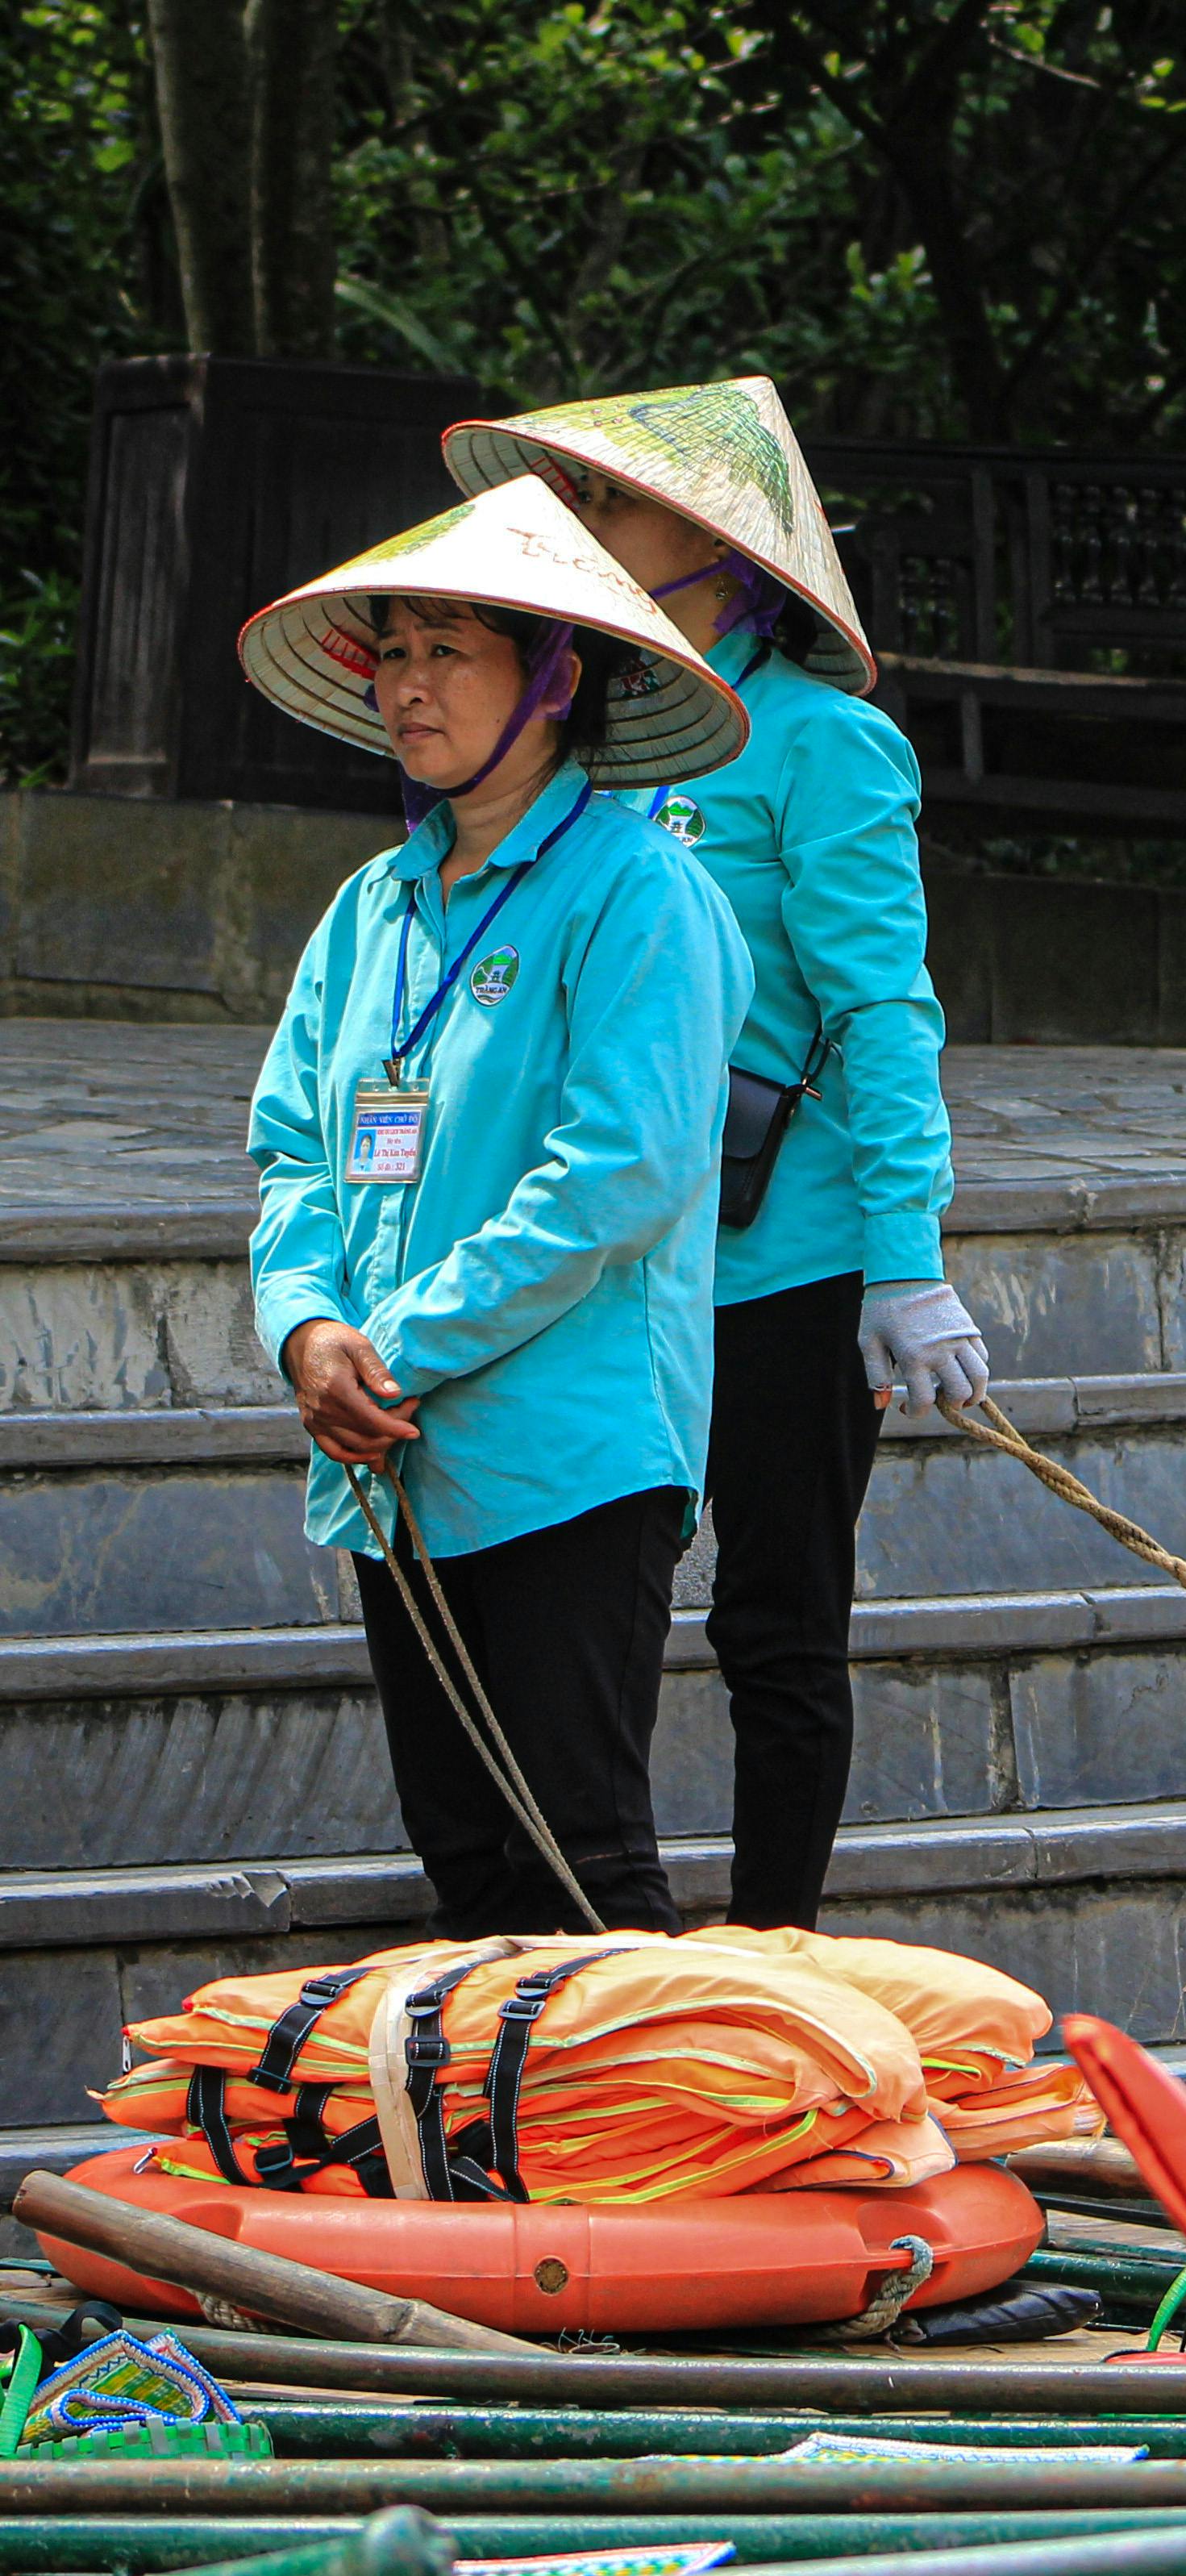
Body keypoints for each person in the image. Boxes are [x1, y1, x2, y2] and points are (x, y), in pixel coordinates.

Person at [439, 379, 977, 1935]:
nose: (583, 531)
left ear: (720, 544)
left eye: (607, 502)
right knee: (583, 1604)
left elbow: (884, 1010)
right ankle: (588, 1948)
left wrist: (907, 1262)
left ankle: (776, 1954)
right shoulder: (574, 736)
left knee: (777, 1627)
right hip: (604, 1255)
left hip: (785, 1253)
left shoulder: (826, 745)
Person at [242, 475, 755, 1938]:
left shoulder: (642, 892)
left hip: (570, 1453)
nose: (407, 686)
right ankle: (497, 2160)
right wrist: (307, 1328)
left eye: (446, 651)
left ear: (553, 677)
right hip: (395, 1461)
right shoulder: (371, 910)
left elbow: (621, 1168)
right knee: (463, 1854)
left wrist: (392, 1339)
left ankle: (625, 2155)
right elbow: (293, 1148)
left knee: (575, 1857)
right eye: (392, 652)